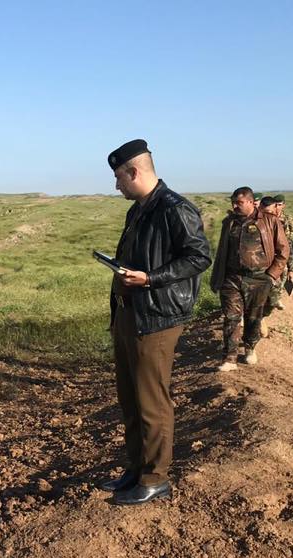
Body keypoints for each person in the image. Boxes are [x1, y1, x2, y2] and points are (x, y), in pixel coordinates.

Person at [99, 139, 211, 505]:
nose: (116, 185)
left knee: (151, 402)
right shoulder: (139, 209)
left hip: (157, 317)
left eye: (118, 177)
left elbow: (198, 257)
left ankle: (155, 478)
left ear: (134, 171)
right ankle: (136, 469)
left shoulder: (175, 208)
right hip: (130, 313)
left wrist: (150, 279)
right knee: (130, 398)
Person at [210, 188, 289, 371]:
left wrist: (271, 275)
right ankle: (229, 358)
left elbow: (283, 250)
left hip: (259, 279)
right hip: (232, 278)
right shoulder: (229, 222)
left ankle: (250, 347)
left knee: (253, 317)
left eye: (239, 203)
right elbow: (221, 252)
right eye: (233, 202)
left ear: (251, 202)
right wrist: (217, 277)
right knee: (231, 317)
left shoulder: (269, 221)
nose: (234, 206)